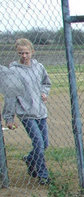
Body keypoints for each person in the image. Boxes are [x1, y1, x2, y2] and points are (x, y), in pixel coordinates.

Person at [0, 38, 52, 184]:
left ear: (32, 52)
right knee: (39, 144)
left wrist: (44, 92)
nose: (24, 56)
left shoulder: (39, 67)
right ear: (17, 53)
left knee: (44, 144)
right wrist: (9, 118)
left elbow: (46, 83)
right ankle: (43, 175)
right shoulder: (14, 70)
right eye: (21, 53)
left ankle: (29, 159)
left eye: (26, 53)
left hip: (40, 111)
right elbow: (10, 95)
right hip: (26, 113)